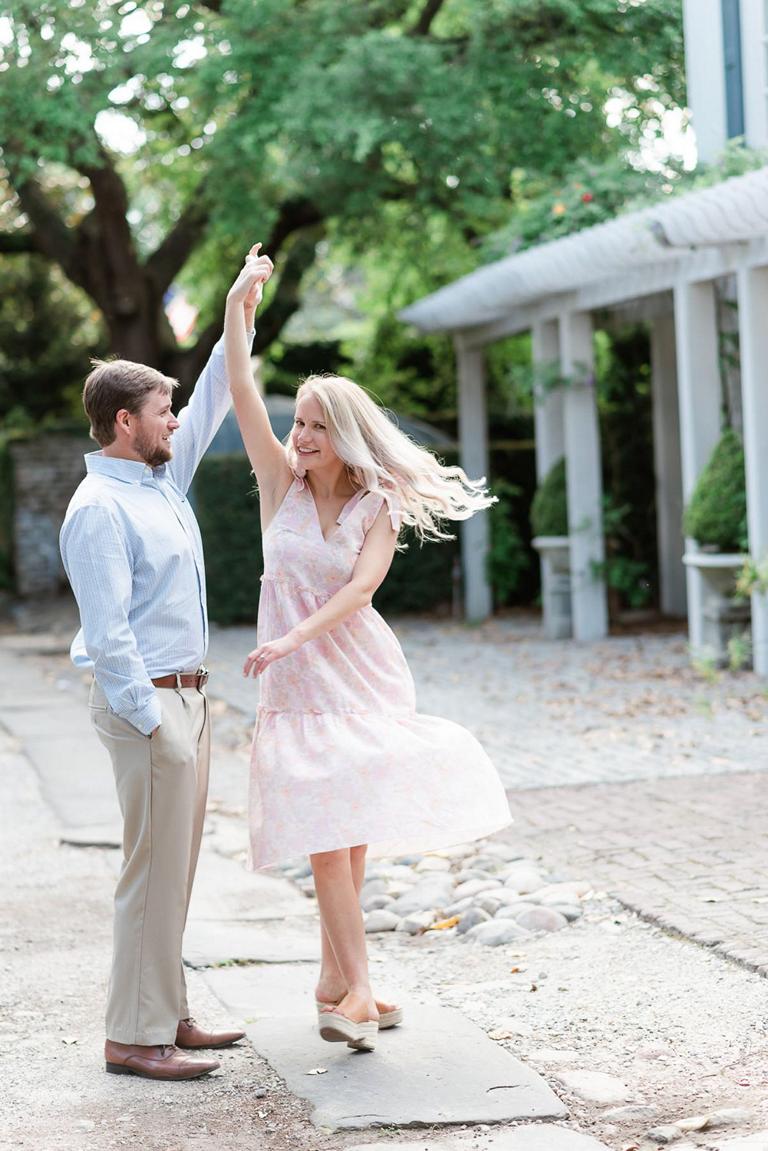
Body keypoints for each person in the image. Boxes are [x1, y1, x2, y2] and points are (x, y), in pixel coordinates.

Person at [224, 251, 512, 1054]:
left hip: (358, 675)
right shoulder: (278, 484)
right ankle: (353, 988)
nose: (302, 435)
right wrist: (239, 308)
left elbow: (360, 590)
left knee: (347, 836)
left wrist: (290, 636)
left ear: (345, 433)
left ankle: (341, 984)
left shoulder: (375, 503)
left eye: (317, 425)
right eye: (299, 422)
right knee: (327, 835)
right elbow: (242, 389)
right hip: (297, 692)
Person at [59, 246, 274, 1081]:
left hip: (190, 699)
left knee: (175, 870)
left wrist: (239, 305)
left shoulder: (157, 483)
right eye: (163, 412)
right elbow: (108, 632)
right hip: (146, 703)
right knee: (149, 873)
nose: (177, 422)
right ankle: (133, 1036)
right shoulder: (98, 507)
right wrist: (154, 720)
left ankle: (167, 1011)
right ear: (126, 422)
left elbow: (218, 388)